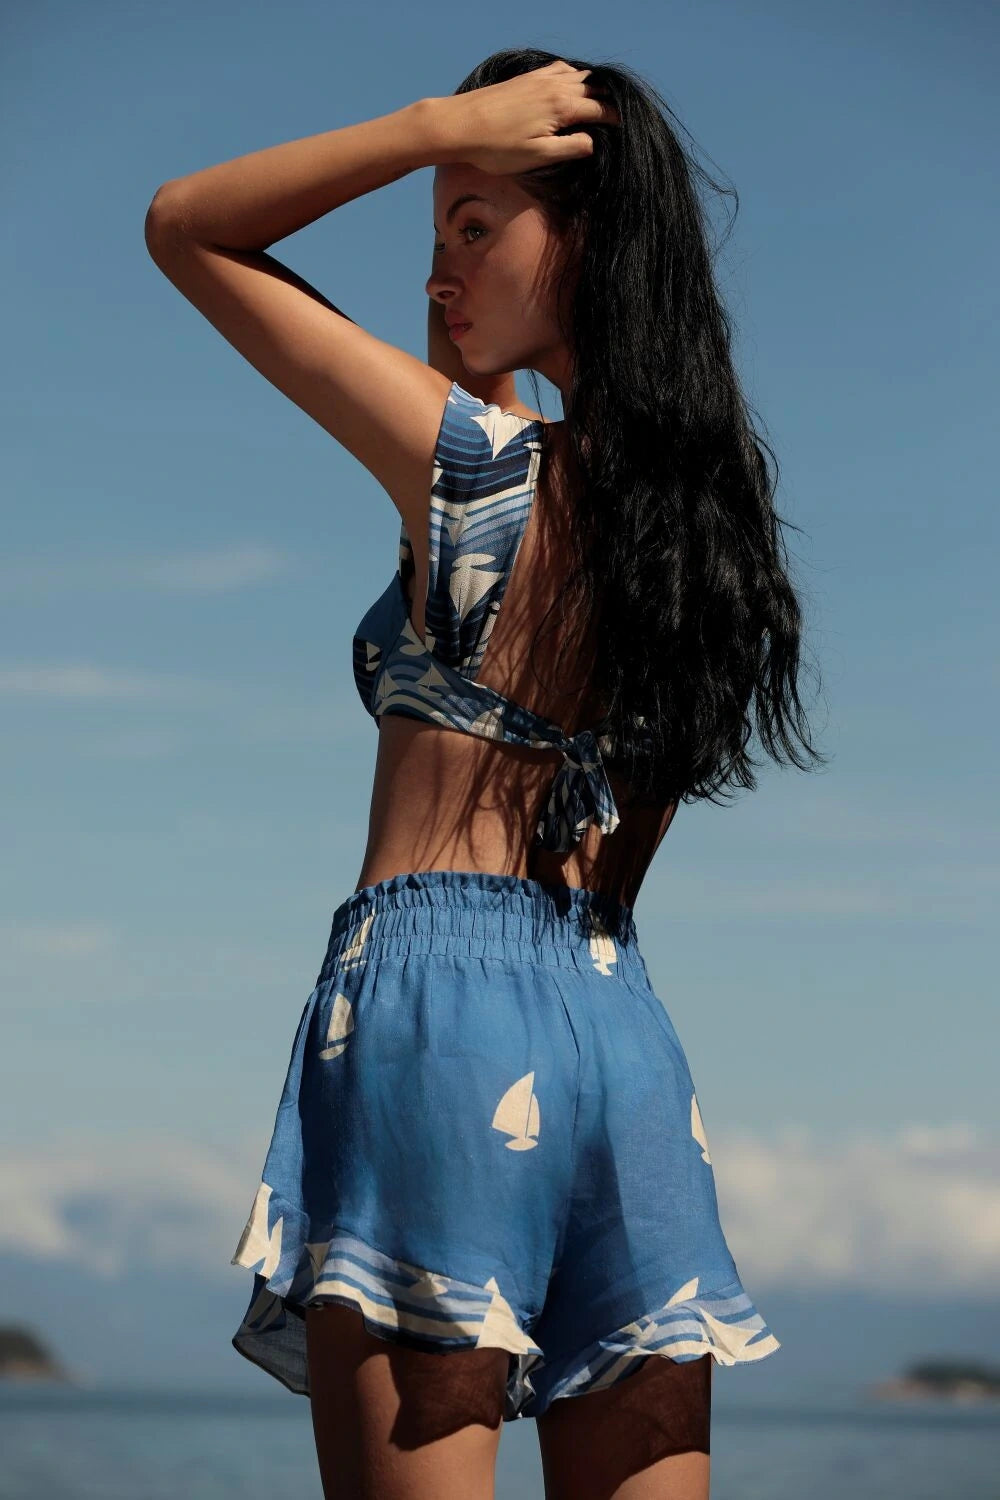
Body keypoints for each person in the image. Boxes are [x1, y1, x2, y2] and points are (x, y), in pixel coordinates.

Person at [145, 49, 826, 1500]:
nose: (438, 270)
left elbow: (188, 226)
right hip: (620, 1035)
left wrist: (430, 127)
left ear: (584, 244)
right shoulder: (701, 531)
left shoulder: (473, 472)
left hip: (438, 1017)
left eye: (473, 225)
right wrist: (477, 250)